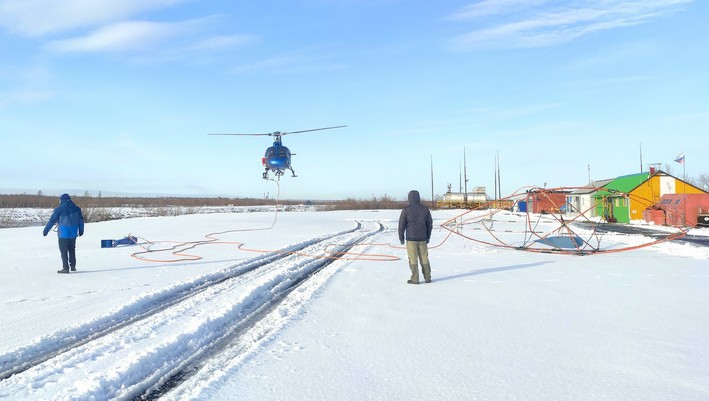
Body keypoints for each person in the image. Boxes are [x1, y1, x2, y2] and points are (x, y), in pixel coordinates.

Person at [43, 193, 84, 274]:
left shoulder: (59, 209)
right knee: (72, 249)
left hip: (63, 233)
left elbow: (52, 221)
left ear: (61, 200)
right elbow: (80, 220)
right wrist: (81, 230)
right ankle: (73, 266)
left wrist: (46, 230)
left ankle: (65, 268)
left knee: (63, 251)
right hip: (73, 233)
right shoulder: (77, 209)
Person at [398, 190, 433, 284]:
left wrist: (401, 238)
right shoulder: (425, 209)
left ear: (409, 198)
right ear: (418, 198)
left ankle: (415, 278)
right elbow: (429, 224)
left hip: (411, 239)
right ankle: (427, 277)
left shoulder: (406, 210)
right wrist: (428, 236)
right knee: (424, 258)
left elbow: (401, 225)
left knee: (412, 258)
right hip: (423, 238)